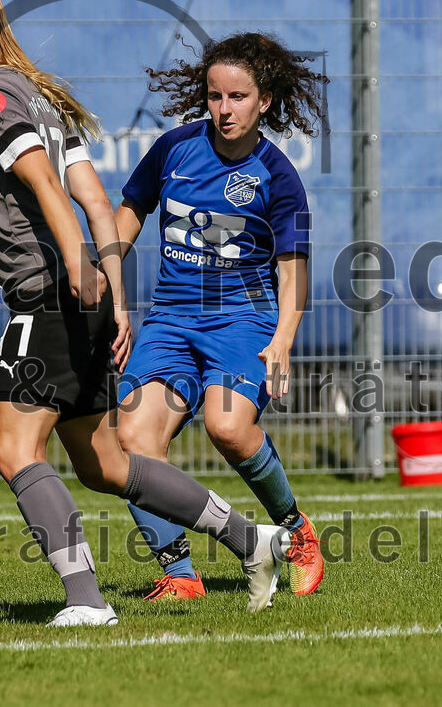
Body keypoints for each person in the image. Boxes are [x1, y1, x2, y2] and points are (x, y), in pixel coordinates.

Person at [0, 0, 289, 626]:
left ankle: (86, 602)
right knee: (107, 464)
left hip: (47, 298)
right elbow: (94, 197)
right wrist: (113, 298)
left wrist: (75, 268)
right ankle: (249, 540)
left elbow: (56, 195)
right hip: (81, 299)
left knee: (14, 452)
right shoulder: (39, 96)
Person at [114, 32, 327, 602]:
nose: (224, 109)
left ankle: (294, 530)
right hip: (172, 322)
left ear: (266, 102)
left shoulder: (278, 176)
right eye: (214, 96)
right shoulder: (175, 149)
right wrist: (105, 276)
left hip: (244, 323)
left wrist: (283, 340)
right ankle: (179, 575)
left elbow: (292, 268)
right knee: (133, 438)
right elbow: (132, 207)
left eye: (237, 97)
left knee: (228, 426)